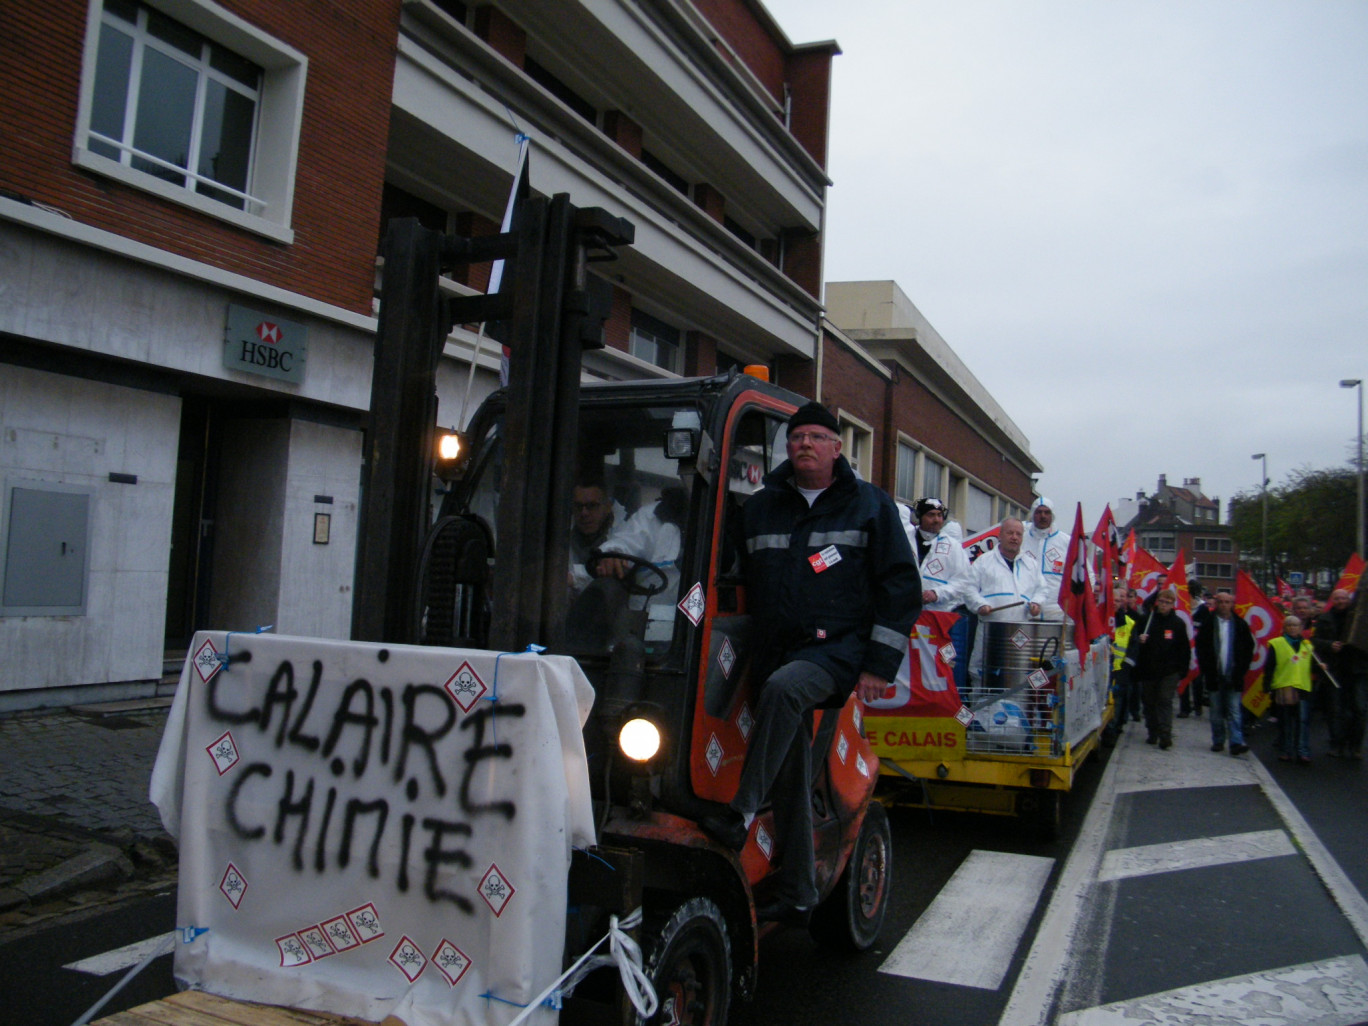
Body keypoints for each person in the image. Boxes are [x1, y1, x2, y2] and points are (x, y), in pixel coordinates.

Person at [699, 401, 920, 922]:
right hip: (776, 650)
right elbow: (726, 568)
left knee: (782, 690)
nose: (805, 445)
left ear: (837, 448)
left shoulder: (869, 506)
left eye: (818, 437)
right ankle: (799, 890)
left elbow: (901, 588)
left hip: (836, 650)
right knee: (793, 774)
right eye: (797, 438)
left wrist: (877, 666)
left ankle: (740, 813)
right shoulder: (761, 507)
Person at [965, 517, 1046, 688]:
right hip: (991, 631)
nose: (1014, 537)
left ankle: (1015, 712)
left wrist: (1037, 603)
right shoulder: (984, 562)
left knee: (1018, 674)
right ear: (1000, 535)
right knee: (982, 673)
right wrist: (980, 605)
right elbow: (969, 589)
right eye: (1010, 533)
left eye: (1018, 534)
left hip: (1021, 632)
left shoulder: (1031, 564)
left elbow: (1041, 589)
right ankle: (982, 710)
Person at [1124, 588, 1190, 750]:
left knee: (1165, 700)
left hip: (1169, 671)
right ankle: (1152, 731)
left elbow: (1184, 648)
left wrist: (1183, 670)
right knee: (1149, 701)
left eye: (1168, 603)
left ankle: (1165, 733)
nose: (1164, 605)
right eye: (1161, 602)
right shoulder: (1146, 620)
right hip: (1148, 669)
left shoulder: (1177, 624)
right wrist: (1139, 640)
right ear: (1157, 602)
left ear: (1173, 604)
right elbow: (1132, 642)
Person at [1194, 590, 1254, 755]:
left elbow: (1248, 649)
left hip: (1234, 675)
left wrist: (1241, 669)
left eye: (1227, 602)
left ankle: (1236, 741)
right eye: (1221, 602)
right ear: (1216, 603)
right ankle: (1218, 740)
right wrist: (1207, 669)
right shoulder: (1208, 624)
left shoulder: (1240, 625)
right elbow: (1201, 648)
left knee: (1234, 710)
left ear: (1232, 604)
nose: (1224, 605)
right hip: (1214, 674)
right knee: (1216, 711)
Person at [1314, 589, 1367, 759]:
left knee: (1359, 709)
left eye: (1344, 598)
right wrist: (1329, 645)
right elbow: (1314, 641)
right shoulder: (1325, 618)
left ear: (1349, 599)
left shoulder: (1359, 619)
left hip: (1358, 669)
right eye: (1337, 598)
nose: (1341, 601)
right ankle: (1337, 743)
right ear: (1332, 600)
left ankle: (1356, 745)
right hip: (1335, 670)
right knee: (1336, 710)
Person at [900, 496, 970, 612]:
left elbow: (963, 581)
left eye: (939, 515)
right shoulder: (905, 538)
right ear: (919, 516)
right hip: (904, 610)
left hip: (937, 615)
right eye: (931, 515)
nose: (936, 520)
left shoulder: (953, 547)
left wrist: (937, 593)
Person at [1263, 615, 1314, 764]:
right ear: (1284, 628)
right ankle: (1286, 750)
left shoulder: (1307, 646)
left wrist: (1320, 666)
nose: (1293, 628)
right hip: (1284, 686)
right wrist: (1267, 685)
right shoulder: (1276, 644)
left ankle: (1302, 751)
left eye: (1296, 625)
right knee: (1285, 721)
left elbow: (1311, 665)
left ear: (1301, 628)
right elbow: (1270, 666)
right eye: (1289, 625)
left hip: (1303, 687)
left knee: (1302, 721)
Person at [1022, 497, 1066, 620]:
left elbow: (1086, 573)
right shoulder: (1021, 539)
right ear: (1032, 514)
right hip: (1025, 613)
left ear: (1052, 515)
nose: (1043, 516)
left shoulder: (1066, 541)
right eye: (1038, 512)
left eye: (1047, 512)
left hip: (1056, 613)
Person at [1179, 584, 1210, 718]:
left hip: (1199, 652)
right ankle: (1184, 708)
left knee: (1197, 681)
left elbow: (1207, 631)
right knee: (1183, 678)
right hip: (1183, 651)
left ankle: (1198, 706)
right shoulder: (1181, 609)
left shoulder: (1203, 610)